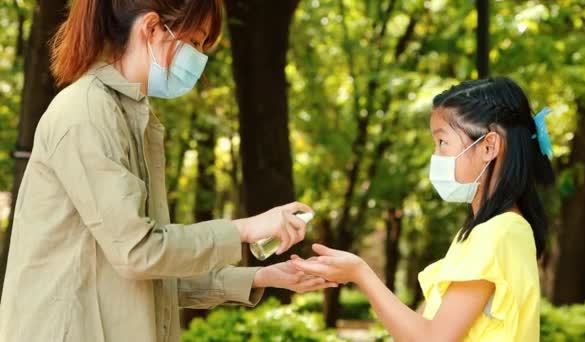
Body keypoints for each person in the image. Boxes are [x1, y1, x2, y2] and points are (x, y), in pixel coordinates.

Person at [0, 1, 335, 341]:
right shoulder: (86, 113)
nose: (200, 61)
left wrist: (261, 278)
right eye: (195, 42)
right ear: (151, 28)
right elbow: (140, 253)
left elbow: (152, 273)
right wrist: (244, 229)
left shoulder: (130, 117)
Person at [291, 77, 555, 341]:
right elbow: (417, 331)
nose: (436, 157)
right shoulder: (491, 232)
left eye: (442, 142)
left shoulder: (497, 234)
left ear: (488, 146)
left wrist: (360, 274)